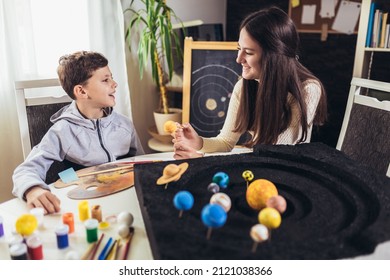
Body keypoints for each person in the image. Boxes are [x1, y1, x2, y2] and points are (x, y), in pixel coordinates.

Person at [173, 6, 327, 159]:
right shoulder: (244, 86)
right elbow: (226, 142)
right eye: (239, 49)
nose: (238, 59)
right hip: (259, 164)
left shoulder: (308, 89)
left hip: (289, 170)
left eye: (248, 52)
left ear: (274, 56)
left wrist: (200, 160)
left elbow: (279, 152)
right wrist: (198, 142)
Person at [12, 51, 144, 214]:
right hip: (83, 205)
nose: (114, 84)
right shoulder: (62, 131)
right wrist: (33, 189)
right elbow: (26, 170)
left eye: (111, 77)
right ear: (81, 92)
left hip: (125, 200)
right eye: (105, 80)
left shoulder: (124, 124)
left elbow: (142, 162)